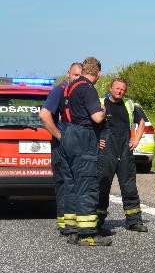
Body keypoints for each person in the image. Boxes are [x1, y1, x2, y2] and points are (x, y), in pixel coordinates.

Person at [60, 57, 112, 246]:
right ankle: (87, 233)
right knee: (87, 185)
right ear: (97, 73)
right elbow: (97, 118)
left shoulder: (70, 87)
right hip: (83, 137)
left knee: (72, 184)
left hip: (68, 135)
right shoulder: (88, 88)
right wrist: (104, 109)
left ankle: (73, 230)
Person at [96, 79, 148, 234]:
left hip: (125, 148)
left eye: (122, 90)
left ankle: (134, 221)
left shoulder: (130, 104)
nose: (119, 92)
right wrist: (96, 140)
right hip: (107, 150)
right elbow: (90, 123)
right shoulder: (100, 102)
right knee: (102, 186)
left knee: (129, 186)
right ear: (111, 88)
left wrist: (137, 138)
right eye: (117, 88)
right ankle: (97, 222)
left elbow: (142, 121)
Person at [39, 62, 82, 238]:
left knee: (75, 183)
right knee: (64, 183)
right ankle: (65, 225)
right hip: (62, 146)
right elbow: (44, 114)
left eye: (80, 76)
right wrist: (60, 136)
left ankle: (73, 223)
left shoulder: (78, 91)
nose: (77, 79)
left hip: (77, 145)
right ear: (68, 73)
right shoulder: (60, 90)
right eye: (75, 75)